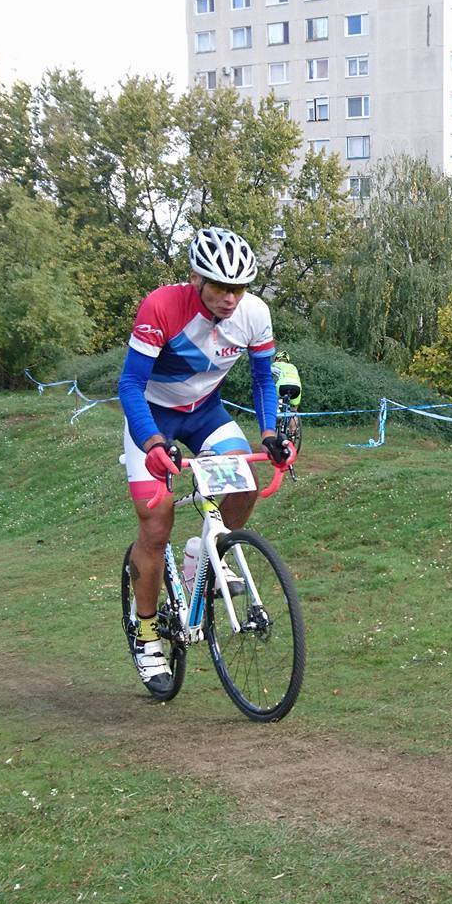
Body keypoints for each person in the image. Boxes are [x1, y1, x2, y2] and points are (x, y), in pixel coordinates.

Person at [119, 226, 292, 696]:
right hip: (152, 416)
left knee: (244, 483)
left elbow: (263, 380)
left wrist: (270, 434)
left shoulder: (254, 314)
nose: (230, 298)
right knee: (156, 524)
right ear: (196, 277)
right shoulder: (161, 306)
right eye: (220, 286)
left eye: (239, 287)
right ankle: (147, 634)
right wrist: (152, 441)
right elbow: (130, 384)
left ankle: (203, 555)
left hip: (205, 413)